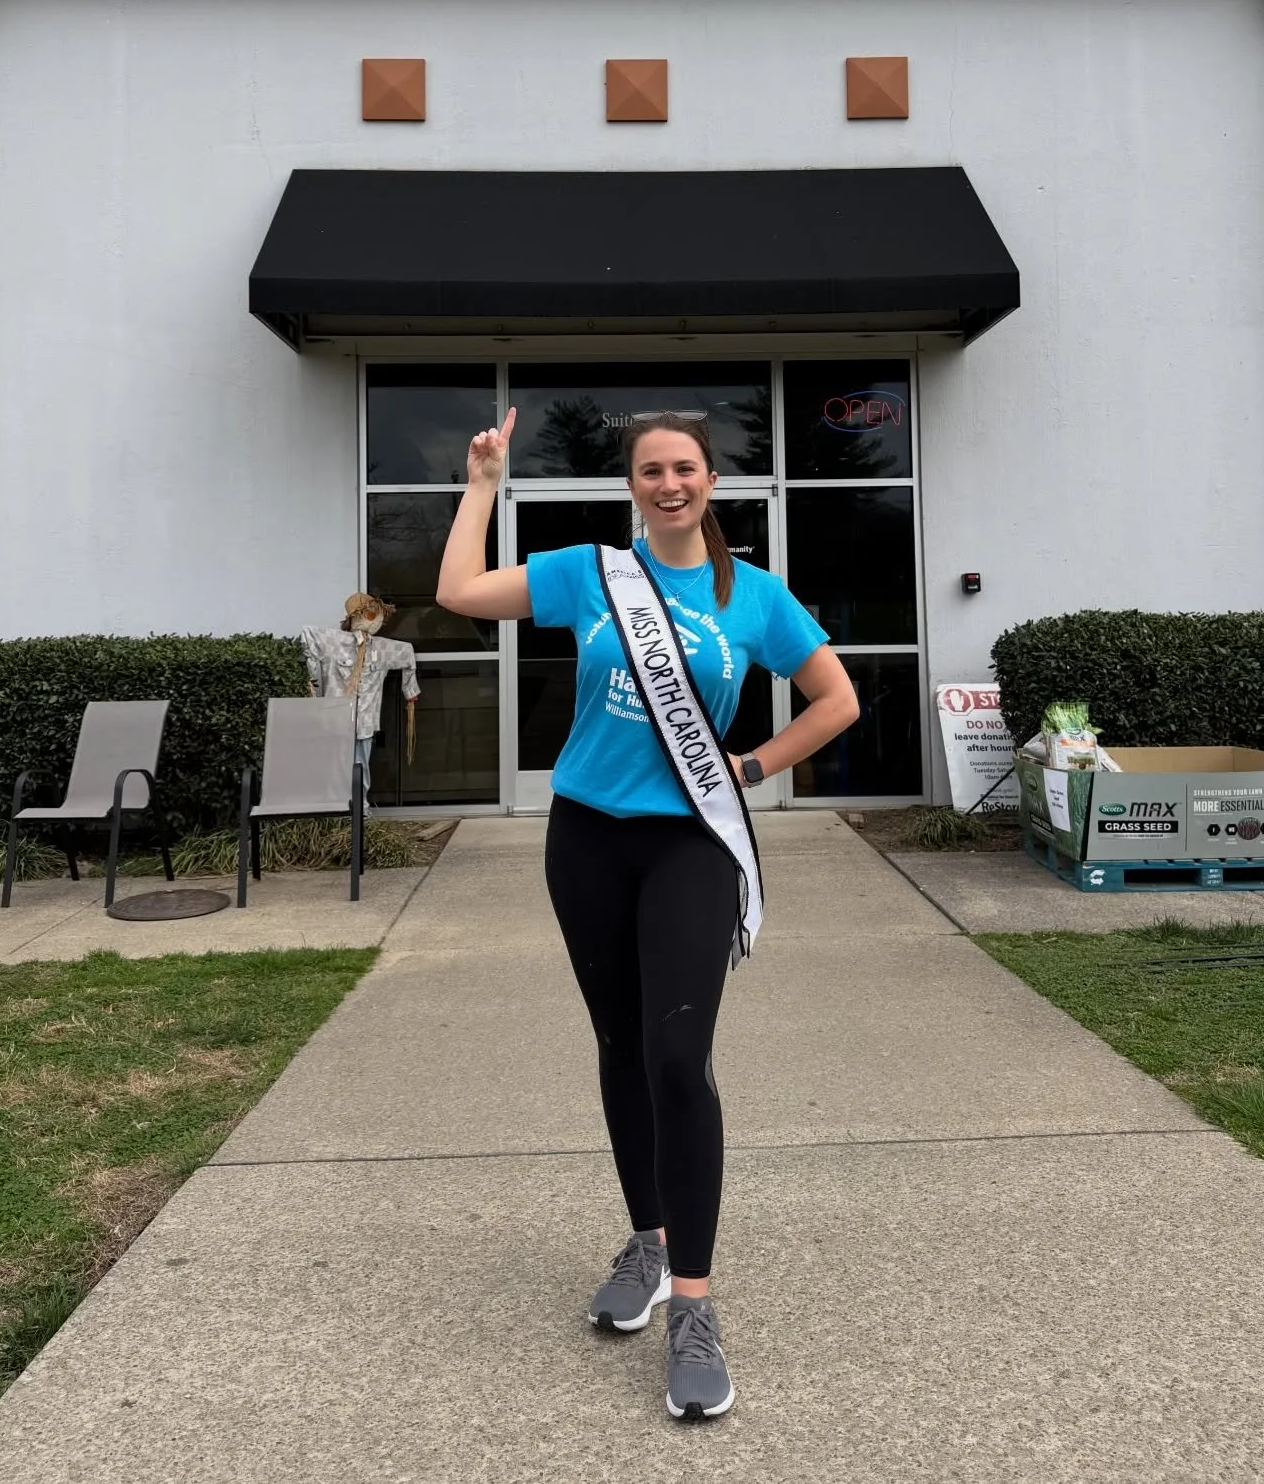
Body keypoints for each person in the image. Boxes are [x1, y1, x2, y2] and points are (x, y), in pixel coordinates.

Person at [437, 408, 859, 1422]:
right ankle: (650, 1239)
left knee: (679, 1057)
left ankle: (696, 1307)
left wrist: (750, 763)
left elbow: (836, 698)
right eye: (650, 469)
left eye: (684, 467)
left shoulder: (753, 595)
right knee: (622, 1043)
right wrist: (483, 482)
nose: (669, 482)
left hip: (688, 846)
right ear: (631, 484)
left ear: (713, 480)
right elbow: (456, 592)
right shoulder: (591, 572)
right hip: (584, 837)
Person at [301, 594, 420, 808]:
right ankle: (335, 809)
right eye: (371, 615)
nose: (375, 621)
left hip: (365, 719)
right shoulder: (333, 641)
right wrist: (315, 687)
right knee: (335, 766)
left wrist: (410, 690)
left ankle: (360, 809)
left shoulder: (382, 648)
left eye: (378, 616)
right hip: (336, 719)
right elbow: (307, 638)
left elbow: (407, 654)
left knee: (361, 765)